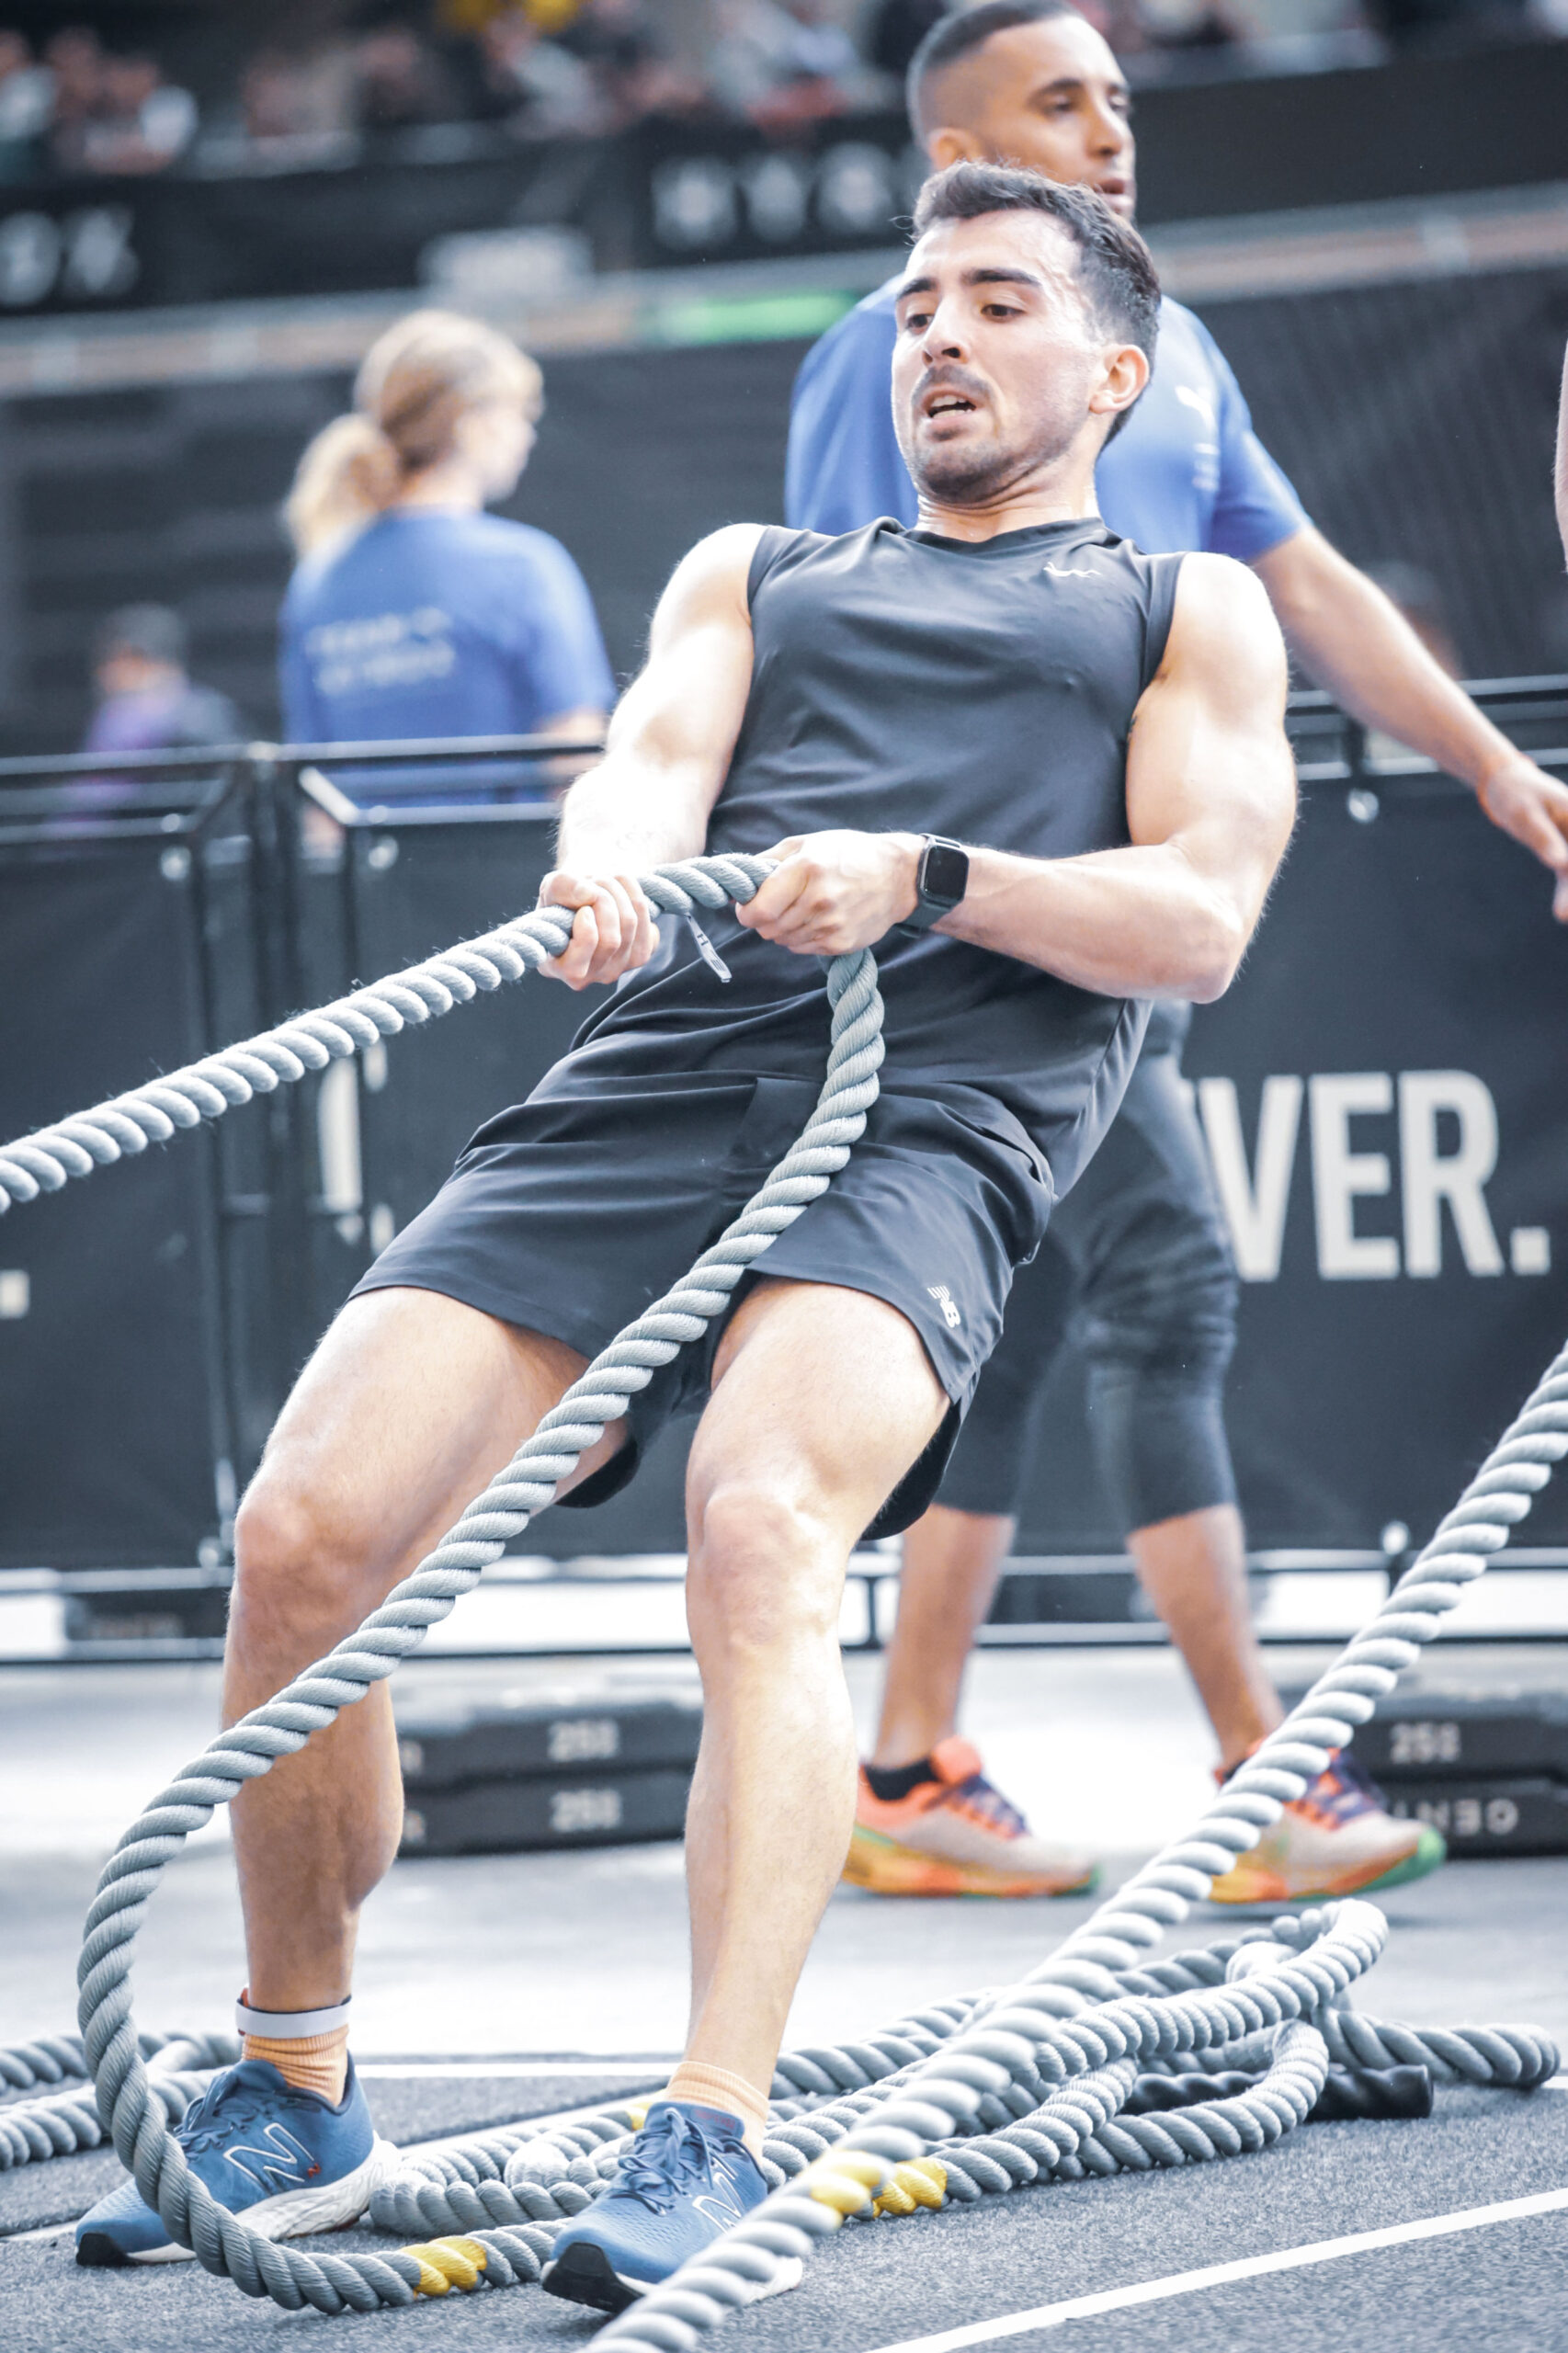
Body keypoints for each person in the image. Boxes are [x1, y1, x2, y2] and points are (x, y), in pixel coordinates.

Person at [75, 164, 1296, 2302]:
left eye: (994, 301)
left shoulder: (1178, 605)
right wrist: (618, 873)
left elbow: (1194, 921)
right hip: (657, 1077)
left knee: (755, 1526)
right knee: (302, 1535)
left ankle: (707, 2126)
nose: (935, 333)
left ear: (1107, 371)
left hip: (931, 1117)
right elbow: (643, 768)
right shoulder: (761, 568)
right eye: (915, 300)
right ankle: (296, 2075)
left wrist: (927, 870)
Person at [786, 0, 1568, 1907]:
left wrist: (1488, 763)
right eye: (1061, 101)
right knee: (1175, 1288)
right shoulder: (883, 358)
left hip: (1129, 939)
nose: (1113, 126)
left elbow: (1305, 583)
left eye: (1121, 95)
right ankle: (1256, 1781)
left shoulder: (1178, 353)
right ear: (952, 151)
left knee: (1036, 1322)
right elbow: (830, 633)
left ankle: (902, 1758)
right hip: (994, 957)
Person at [279, 310, 614, 802]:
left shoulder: (317, 580)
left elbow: (316, 793)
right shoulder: (523, 566)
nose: (528, 436)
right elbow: (575, 758)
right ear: (472, 423)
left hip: (371, 877)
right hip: (508, 873)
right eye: (519, 416)